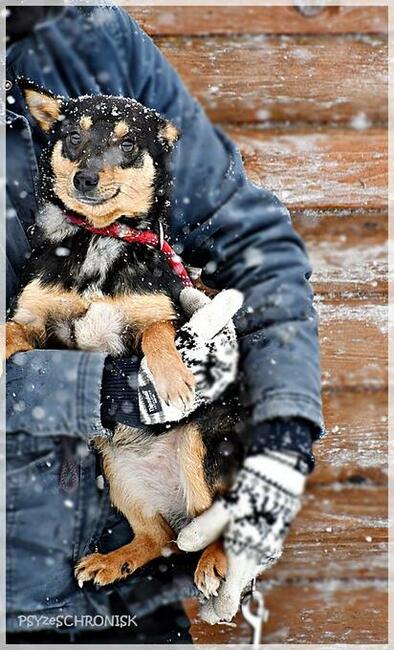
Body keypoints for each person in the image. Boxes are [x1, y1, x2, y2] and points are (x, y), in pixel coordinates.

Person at [5, 4, 323, 643]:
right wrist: (101, 390)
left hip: (121, 601)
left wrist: (282, 444)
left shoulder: (87, 40)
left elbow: (254, 248)